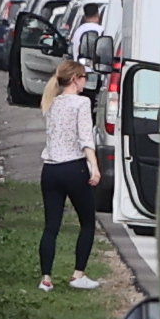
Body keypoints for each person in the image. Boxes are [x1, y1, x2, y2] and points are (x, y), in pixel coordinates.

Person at [33, 60, 104, 288]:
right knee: (87, 222)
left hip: (50, 169)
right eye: (84, 77)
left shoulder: (51, 103)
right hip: (74, 167)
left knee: (51, 226)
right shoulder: (81, 103)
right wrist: (94, 166)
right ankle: (78, 274)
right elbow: (85, 138)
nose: (86, 82)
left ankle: (46, 278)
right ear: (75, 79)